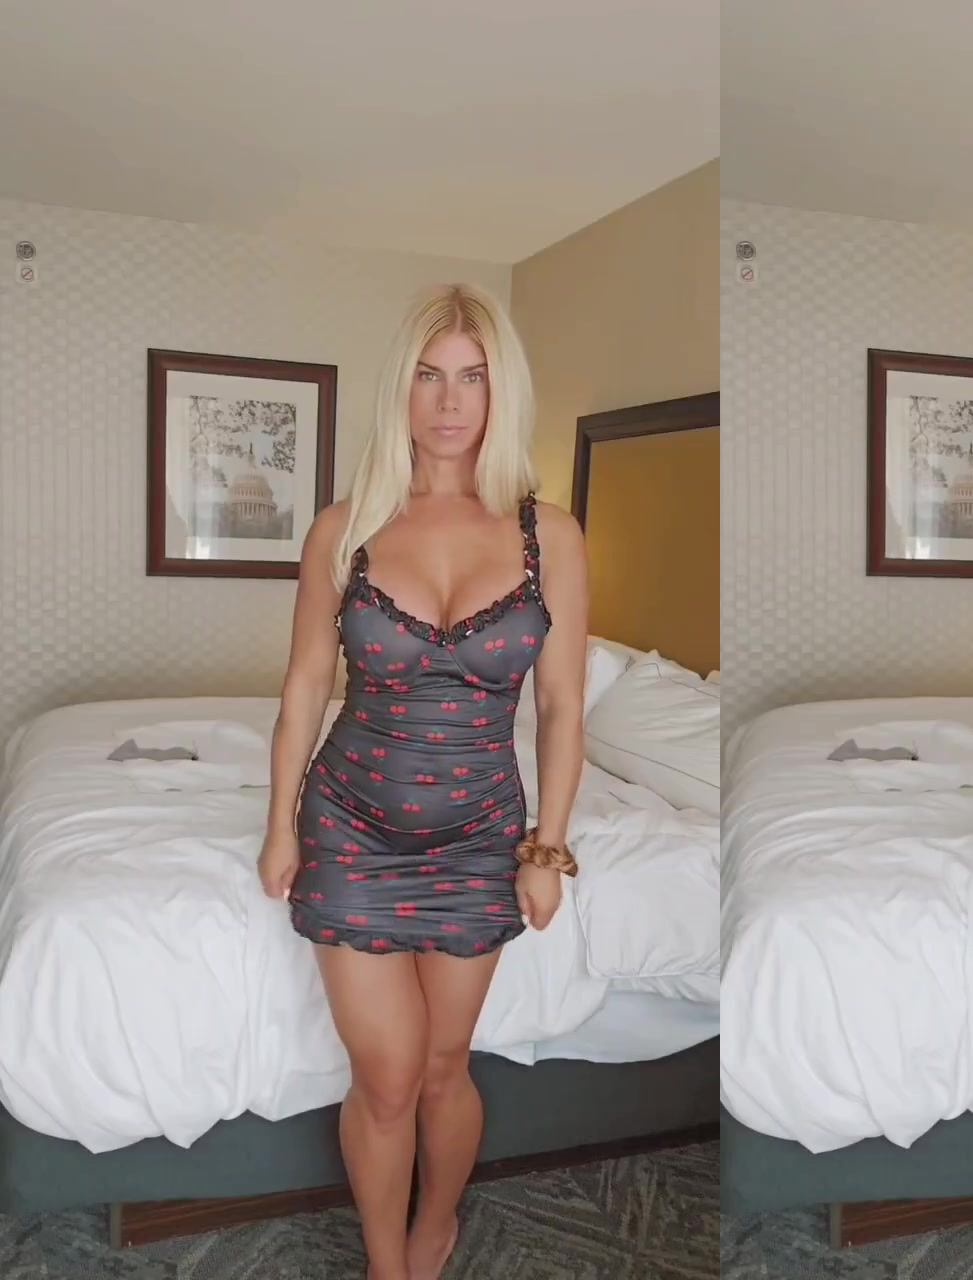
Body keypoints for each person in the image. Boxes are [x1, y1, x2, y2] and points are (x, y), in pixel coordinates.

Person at [256, 283, 590, 1280]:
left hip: (481, 834)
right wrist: (280, 826)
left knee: (446, 1067)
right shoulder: (344, 528)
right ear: (399, 389)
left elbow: (562, 706)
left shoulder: (550, 536)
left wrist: (547, 849)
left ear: (500, 390)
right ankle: (385, 1263)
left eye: (473, 377)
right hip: (350, 827)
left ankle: (435, 1221)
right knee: (389, 1075)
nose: (450, 400)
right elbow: (305, 685)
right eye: (429, 375)